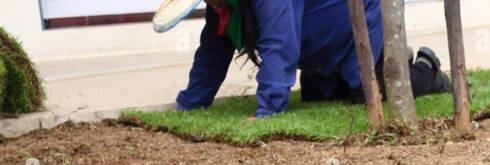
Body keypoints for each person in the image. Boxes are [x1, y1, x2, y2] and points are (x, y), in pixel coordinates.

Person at [170, 0, 448, 119]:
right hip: (318, 43)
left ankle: (427, 69)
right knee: (319, 97)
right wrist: (190, 103)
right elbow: (212, 52)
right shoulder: (221, 5)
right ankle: (389, 61)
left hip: (355, 26)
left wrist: (269, 111)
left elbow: (279, 43)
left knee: (369, 93)